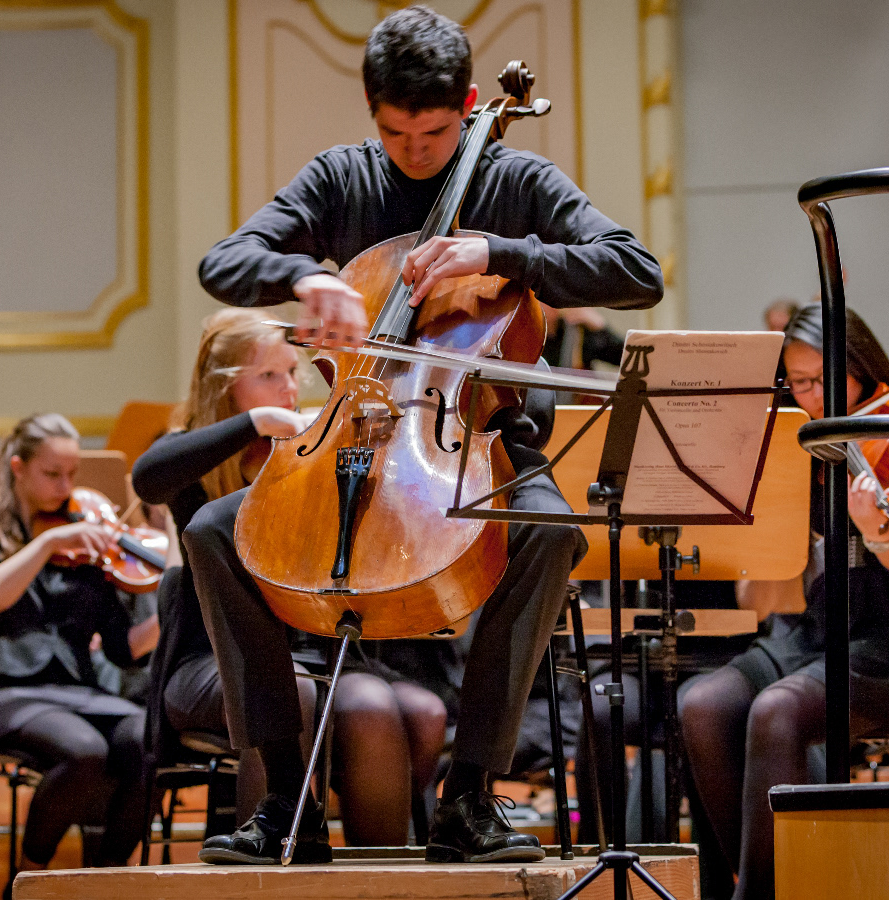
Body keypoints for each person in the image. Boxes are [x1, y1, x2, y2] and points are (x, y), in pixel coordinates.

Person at [188, 5, 662, 865]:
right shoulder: (342, 178)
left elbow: (636, 270)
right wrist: (304, 278)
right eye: (395, 132)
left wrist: (503, 254)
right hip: (349, 429)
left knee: (550, 530)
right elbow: (224, 261)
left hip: (476, 437)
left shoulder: (516, 180)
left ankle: (469, 797)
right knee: (215, 533)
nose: (414, 150)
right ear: (373, 112)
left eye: (436, 133)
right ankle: (285, 798)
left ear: (469, 105)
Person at [132, 309, 448, 846]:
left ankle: (382, 876)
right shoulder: (196, 454)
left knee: (381, 707)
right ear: (225, 386)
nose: (288, 388)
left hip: (314, 646)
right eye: (268, 376)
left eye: (290, 373)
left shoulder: (311, 449)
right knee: (292, 690)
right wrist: (255, 423)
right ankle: (273, 857)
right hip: (212, 657)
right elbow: (147, 478)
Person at [678, 304, 889, 900]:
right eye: (798, 382)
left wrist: (878, 532)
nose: (813, 396)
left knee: (775, 711)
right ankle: (774, 884)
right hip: (817, 630)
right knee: (702, 703)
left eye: (824, 378)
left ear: (859, 365)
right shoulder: (804, 442)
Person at [0, 414, 157, 870]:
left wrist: (174, 609)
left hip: (79, 692)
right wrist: (46, 544)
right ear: (18, 468)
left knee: (150, 741)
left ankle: (105, 878)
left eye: (72, 474)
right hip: (3, 694)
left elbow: (121, 649)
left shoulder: (84, 547)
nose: (66, 488)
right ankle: (29, 874)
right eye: (52, 474)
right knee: (85, 751)